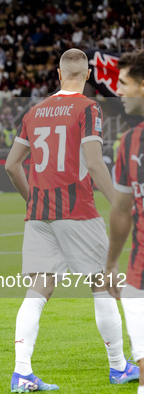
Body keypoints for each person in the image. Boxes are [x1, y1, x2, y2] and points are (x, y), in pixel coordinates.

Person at [5, 48, 139, 392]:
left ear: (59, 75)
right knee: (103, 285)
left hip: (39, 214)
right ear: (89, 75)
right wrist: (121, 203)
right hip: (77, 209)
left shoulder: (34, 111)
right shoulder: (88, 108)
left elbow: (11, 165)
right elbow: (94, 164)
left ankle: (22, 372)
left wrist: (33, 199)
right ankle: (119, 367)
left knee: (37, 291)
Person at [106, 49, 144, 394]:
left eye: (124, 83)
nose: (118, 90)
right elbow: (121, 209)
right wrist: (111, 263)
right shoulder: (129, 141)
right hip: (138, 274)